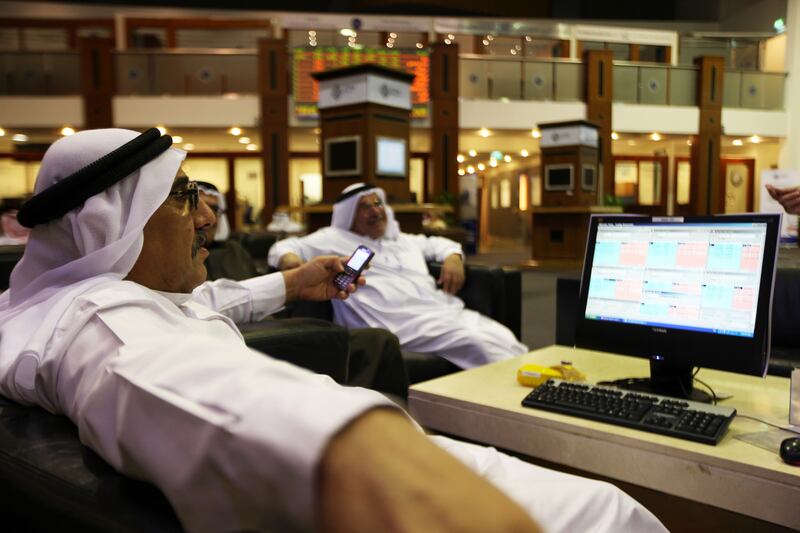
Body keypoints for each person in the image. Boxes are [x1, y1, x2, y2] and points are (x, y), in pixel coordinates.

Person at [0, 128, 666, 533]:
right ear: (109, 227)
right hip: (383, 473)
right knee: (606, 512)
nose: (205, 218)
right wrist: (367, 455)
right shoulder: (101, 324)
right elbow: (172, 381)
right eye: (181, 197)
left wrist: (293, 285)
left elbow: (206, 305)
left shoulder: (81, 296)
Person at [268, 183, 530, 369]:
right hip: (393, 323)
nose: (375, 211)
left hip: (436, 313)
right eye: (364, 207)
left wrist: (453, 257)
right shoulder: (332, 238)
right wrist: (292, 262)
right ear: (349, 215)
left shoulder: (402, 240)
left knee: (501, 334)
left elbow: (439, 244)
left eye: (377, 203)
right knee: (478, 343)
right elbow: (282, 248)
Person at [196, 181, 410, 398]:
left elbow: (240, 295)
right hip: (241, 343)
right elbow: (203, 305)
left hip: (272, 321)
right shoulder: (182, 259)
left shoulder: (235, 249)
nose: (208, 218)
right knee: (379, 341)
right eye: (198, 206)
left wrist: (296, 283)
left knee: (378, 342)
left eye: (214, 208)